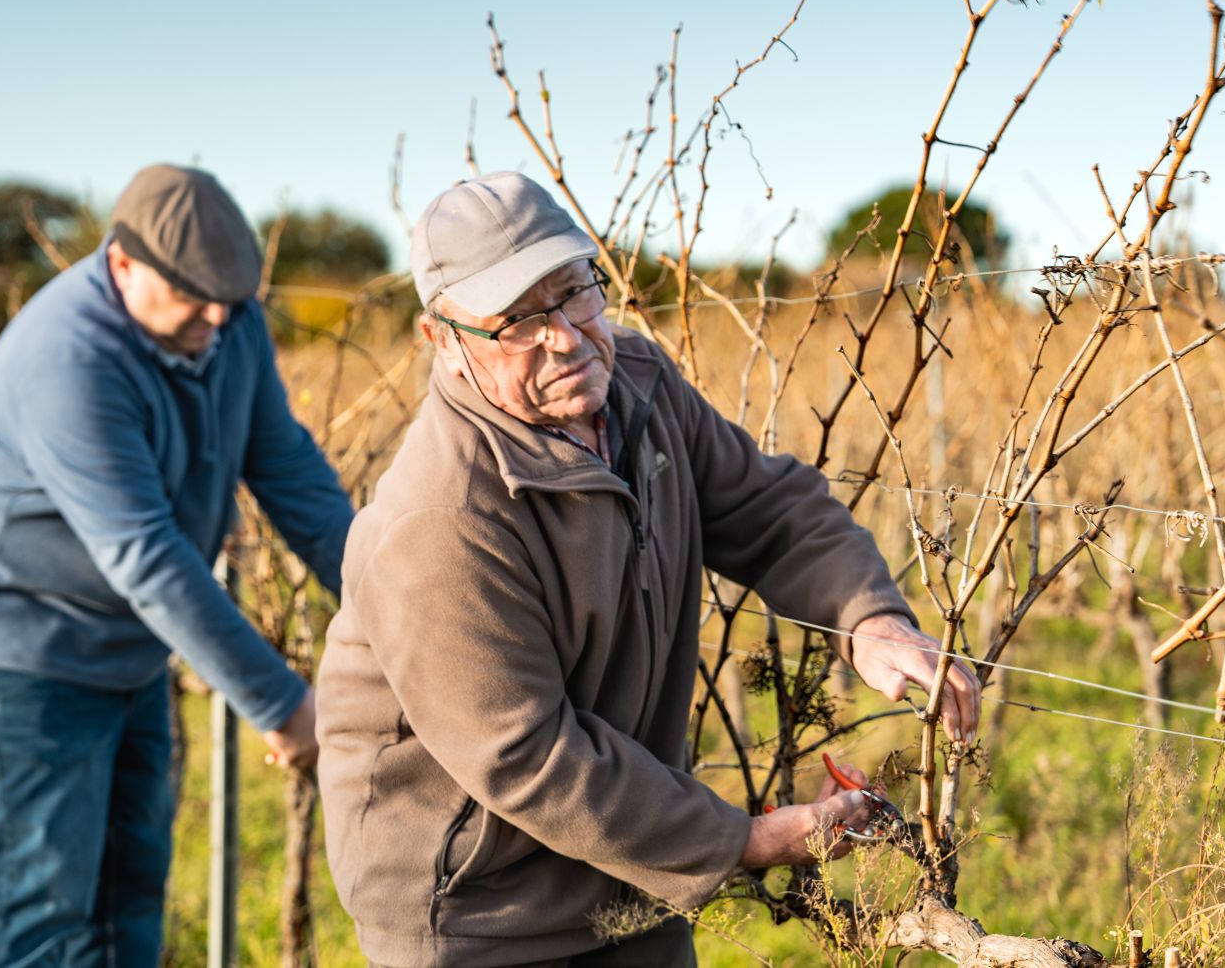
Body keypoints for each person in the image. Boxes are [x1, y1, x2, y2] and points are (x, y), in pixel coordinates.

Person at [315, 171, 980, 967]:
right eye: (517, 322)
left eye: (573, 293)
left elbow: (767, 508)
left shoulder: (638, 383)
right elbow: (527, 755)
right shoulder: (440, 519)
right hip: (477, 911)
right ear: (445, 343)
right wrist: (747, 839)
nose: (563, 335)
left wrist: (867, 619)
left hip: (632, 874)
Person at [0, 163, 353, 967]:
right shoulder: (68, 358)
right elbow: (145, 556)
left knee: (131, 884)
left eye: (234, 294)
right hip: (17, 631)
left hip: (126, 637)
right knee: (44, 901)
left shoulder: (230, 317)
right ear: (122, 264)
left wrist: (383, 603)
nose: (220, 315)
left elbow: (284, 464)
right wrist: (286, 705)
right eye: (196, 294)